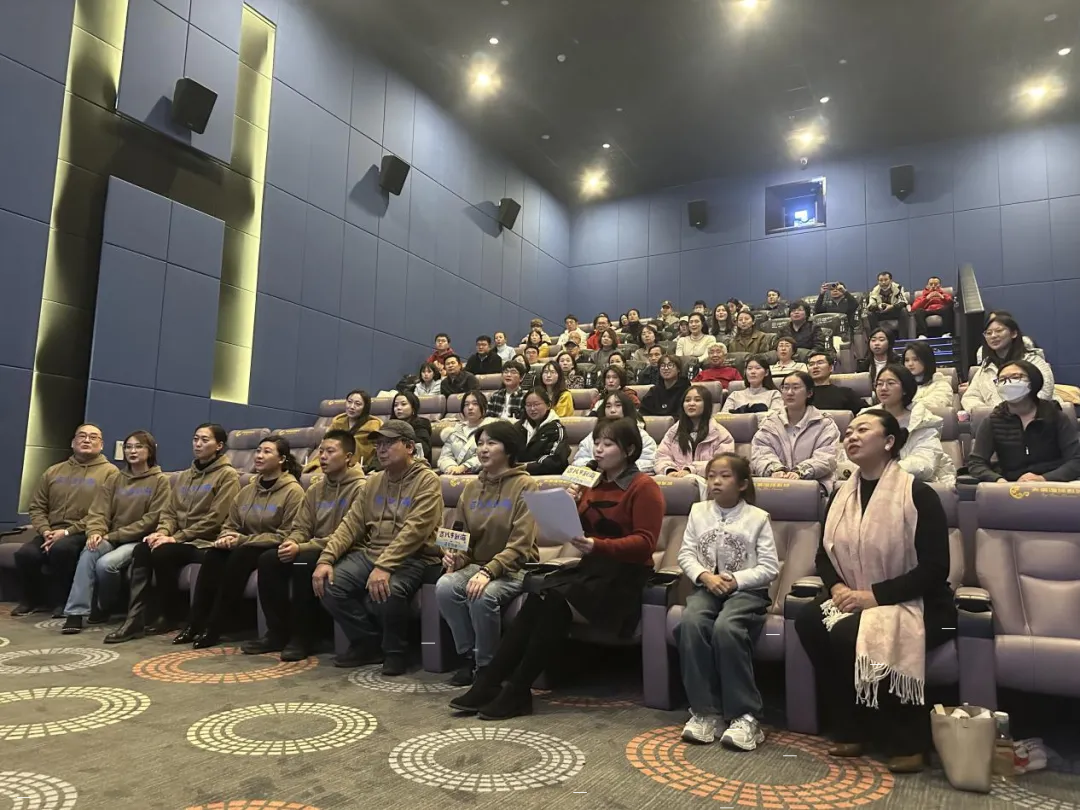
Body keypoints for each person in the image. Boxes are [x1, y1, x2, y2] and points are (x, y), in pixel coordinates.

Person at [449, 418, 664, 719]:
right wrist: (570, 506)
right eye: (597, 443)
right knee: (538, 596)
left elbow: (645, 543)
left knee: (553, 601)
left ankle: (514, 690)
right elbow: (577, 529)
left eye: (608, 444)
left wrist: (597, 545)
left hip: (624, 577)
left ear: (629, 450)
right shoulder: (592, 482)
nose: (598, 450)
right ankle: (491, 682)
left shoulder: (644, 487)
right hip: (592, 568)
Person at [794, 410, 956, 774]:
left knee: (850, 632)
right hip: (856, 594)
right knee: (809, 621)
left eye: (862, 430)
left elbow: (935, 569)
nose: (851, 436)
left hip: (920, 602)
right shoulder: (841, 494)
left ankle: (907, 739)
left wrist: (874, 597)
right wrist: (837, 587)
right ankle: (852, 725)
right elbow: (823, 555)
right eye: (848, 431)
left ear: (888, 442)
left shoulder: (917, 494)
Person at [314, 420, 443, 675]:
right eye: (379, 444)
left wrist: (384, 566)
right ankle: (367, 642)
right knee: (329, 582)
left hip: (414, 556)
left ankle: (396, 651)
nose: (381, 449)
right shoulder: (373, 481)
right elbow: (351, 523)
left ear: (409, 447)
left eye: (389, 443)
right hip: (373, 553)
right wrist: (325, 559)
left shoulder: (427, 481)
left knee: (388, 589)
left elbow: (415, 531)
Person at [677, 453, 779, 749]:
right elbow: (686, 553)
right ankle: (705, 712)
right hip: (708, 587)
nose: (716, 482)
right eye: (711, 476)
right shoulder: (698, 511)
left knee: (727, 627)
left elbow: (770, 568)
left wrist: (736, 580)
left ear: (743, 484)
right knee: (691, 622)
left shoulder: (757, 518)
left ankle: (745, 715)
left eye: (724, 476)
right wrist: (705, 577)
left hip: (747, 592)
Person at [104, 424, 240, 643]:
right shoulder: (185, 475)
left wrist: (176, 537)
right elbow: (169, 511)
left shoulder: (228, 475)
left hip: (205, 542)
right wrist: (162, 531)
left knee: (163, 553)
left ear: (219, 446)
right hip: (179, 540)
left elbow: (215, 518)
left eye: (205, 440)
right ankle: (135, 620)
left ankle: (170, 614)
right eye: (195, 439)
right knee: (143, 549)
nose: (198, 444)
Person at [243, 430, 366, 661]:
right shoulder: (316, 489)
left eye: (330, 452)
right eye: (321, 451)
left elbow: (349, 534)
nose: (323, 457)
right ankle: (277, 632)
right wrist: (293, 541)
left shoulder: (360, 488)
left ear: (348, 457)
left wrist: (303, 548)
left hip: (345, 550)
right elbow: (301, 526)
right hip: (310, 546)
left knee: (303, 563)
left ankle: (303, 638)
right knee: (269, 559)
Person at [174, 435, 304, 649]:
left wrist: (242, 540)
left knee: (240, 556)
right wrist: (226, 536)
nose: (259, 456)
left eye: (267, 452)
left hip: (268, 546)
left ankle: (214, 628)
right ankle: (195, 623)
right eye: (258, 451)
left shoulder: (293, 491)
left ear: (282, 459)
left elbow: (287, 534)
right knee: (214, 555)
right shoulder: (247, 490)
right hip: (243, 543)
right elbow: (230, 523)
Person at [437, 421, 540, 686]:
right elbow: (462, 537)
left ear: (509, 449)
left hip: (516, 567)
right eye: (480, 443)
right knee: (445, 586)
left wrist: (488, 572)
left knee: (483, 595)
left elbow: (521, 543)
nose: (483, 449)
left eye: (491, 443)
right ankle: (468, 656)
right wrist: (455, 556)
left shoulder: (526, 485)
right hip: (479, 565)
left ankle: (488, 666)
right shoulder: (471, 488)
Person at [60, 431, 170, 634]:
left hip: (138, 541)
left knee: (106, 565)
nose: (132, 451)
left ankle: (105, 606)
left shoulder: (160, 481)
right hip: (110, 536)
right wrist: (96, 531)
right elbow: (98, 511)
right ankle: (75, 613)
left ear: (150, 451)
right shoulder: (115, 478)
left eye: (138, 447)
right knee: (90, 549)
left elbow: (151, 520)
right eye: (128, 447)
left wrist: (112, 536)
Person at [12, 424, 120, 617]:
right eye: (82, 436)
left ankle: (61, 601)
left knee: (62, 549)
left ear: (102, 445)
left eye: (93, 437)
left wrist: (67, 532)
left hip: (84, 531)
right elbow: (37, 506)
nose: (87, 440)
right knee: (25, 554)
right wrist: (46, 531)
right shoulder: (54, 471)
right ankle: (32, 600)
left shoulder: (111, 473)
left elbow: (105, 511)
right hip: (51, 531)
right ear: (72, 442)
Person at [840, 366, 956, 487]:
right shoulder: (864, 417)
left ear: (905, 389)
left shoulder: (923, 420)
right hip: (868, 480)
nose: (883, 388)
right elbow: (850, 459)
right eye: (879, 384)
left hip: (911, 483)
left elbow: (925, 463)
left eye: (890, 383)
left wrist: (881, 471)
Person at [967, 360, 1080, 483]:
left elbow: (1076, 459)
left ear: (1032, 382)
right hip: (1010, 486)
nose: (1008, 383)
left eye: (1016, 377)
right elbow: (976, 463)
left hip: (1053, 485)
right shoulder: (992, 421)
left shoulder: (1055, 416)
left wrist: (1043, 479)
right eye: (1002, 380)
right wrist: (998, 480)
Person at [751, 372, 840, 488]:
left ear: (809, 393)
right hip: (775, 485)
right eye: (785, 387)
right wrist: (775, 470)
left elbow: (827, 457)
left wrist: (800, 472)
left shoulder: (825, 424)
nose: (789, 392)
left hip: (814, 486)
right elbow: (760, 451)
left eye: (796, 388)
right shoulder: (770, 422)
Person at [963, 314, 1055, 409]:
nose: (993, 336)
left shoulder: (1034, 361)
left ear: (1014, 333)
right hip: (995, 416)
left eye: (999, 331)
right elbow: (970, 397)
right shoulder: (986, 367)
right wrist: (988, 412)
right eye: (989, 333)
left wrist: (1017, 410)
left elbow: (1045, 392)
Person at [657, 386, 735, 477]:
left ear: (706, 404)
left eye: (697, 400)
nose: (691, 404)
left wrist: (691, 470)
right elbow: (661, 456)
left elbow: (722, 463)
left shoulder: (720, 434)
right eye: (687, 400)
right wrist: (669, 470)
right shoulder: (673, 432)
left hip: (706, 479)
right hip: (676, 479)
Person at [572, 391, 657, 474]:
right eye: (608, 406)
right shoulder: (594, 434)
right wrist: (597, 466)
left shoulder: (642, 436)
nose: (612, 410)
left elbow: (650, 462)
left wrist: (616, 467)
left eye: (618, 405)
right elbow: (578, 461)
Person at [305, 389, 381, 472]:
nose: (352, 407)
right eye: (349, 402)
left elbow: (358, 453)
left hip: (353, 467)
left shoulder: (371, 426)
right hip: (329, 461)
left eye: (357, 404)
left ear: (365, 408)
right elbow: (325, 445)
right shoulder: (338, 423)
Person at [438, 391, 495, 475]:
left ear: (484, 407)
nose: (470, 407)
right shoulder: (455, 431)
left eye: (475, 404)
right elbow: (445, 456)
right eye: (466, 404)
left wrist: (464, 467)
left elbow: (489, 455)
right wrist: (451, 468)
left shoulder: (492, 429)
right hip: (454, 475)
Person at [516, 389, 571, 475]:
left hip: (547, 476)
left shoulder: (556, 429)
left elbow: (554, 460)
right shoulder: (518, 427)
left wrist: (523, 467)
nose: (532, 409)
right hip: (519, 474)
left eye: (536, 404)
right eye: (528, 405)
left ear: (548, 405)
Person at [807, 351, 865, 416]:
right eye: (811, 364)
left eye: (820, 363)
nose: (815, 367)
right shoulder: (803, 394)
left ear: (831, 368)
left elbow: (866, 411)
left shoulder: (845, 393)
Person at [903, 342, 954, 410]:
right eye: (907, 360)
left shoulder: (941, 385)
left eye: (915, 359)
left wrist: (904, 406)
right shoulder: (901, 385)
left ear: (927, 360)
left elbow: (936, 404)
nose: (910, 364)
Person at [388, 391, 433, 463]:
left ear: (413, 407)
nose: (398, 408)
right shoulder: (389, 426)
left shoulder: (421, 424)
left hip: (415, 465)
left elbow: (424, 450)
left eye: (403, 404)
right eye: (395, 405)